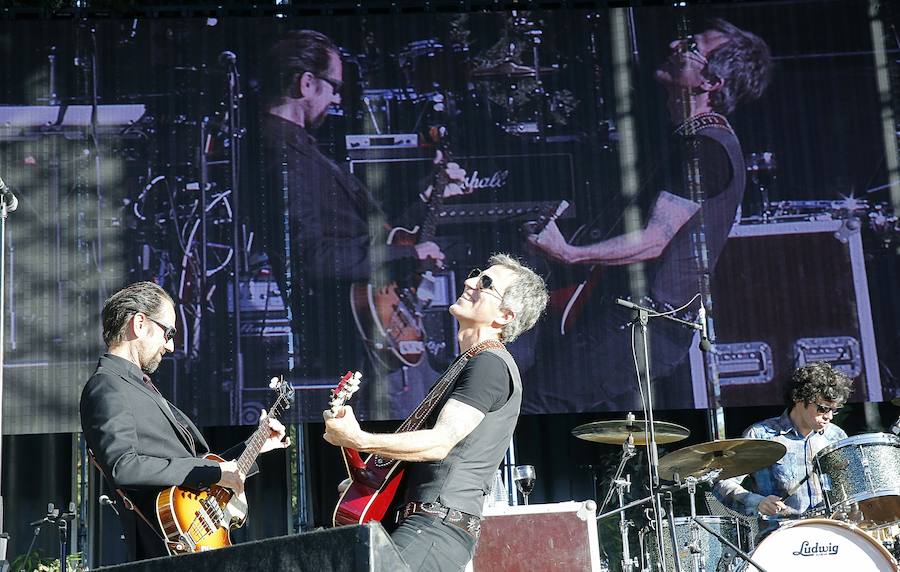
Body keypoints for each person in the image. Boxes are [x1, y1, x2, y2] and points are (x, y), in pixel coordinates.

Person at [525, 19, 772, 412]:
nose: (675, 42)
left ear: (711, 83)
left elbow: (655, 239)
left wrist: (569, 254)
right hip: (629, 317)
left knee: (534, 403)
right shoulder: (686, 138)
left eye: (691, 45)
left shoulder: (705, 149)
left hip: (643, 325)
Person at [260, 29, 470, 416]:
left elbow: (359, 233)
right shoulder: (280, 155)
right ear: (307, 83)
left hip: (374, 332)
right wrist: (404, 255)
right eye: (334, 86)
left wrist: (428, 196)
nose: (338, 98)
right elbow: (312, 256)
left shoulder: (301, 148)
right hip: (354, 340)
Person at [323, 253, 548, 572]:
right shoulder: (471, 362)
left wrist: (358, 438)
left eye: (485, 283)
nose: (470, 282)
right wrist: (370, 484)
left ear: (505, 315)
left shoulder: (490, 364)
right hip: (423, 526)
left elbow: (440, 443)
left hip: (434, 529)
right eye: (475, 274)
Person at [80, 281, 290, 561]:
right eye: (168, 332)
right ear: (140, 324)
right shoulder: (107, 386)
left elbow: (200, 463)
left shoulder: (139, 387)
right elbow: (124, 466)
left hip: (192, 540)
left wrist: (255, 444)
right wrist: (215, 473)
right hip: (164, 548)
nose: (169, 345)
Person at [713, 362, 853, 539]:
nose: (829, 416)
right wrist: (758, 502)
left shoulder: (836, 436)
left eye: (834, 410)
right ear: (799, 398)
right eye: (823, 408)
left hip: (830, 533)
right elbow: (723, 483)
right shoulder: (761, 435)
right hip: (780, 537)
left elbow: (849, 489)